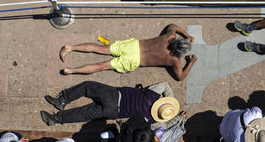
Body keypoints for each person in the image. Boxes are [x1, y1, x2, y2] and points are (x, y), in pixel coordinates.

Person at [59, 24, 197, 78]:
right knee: (102, 66)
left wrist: (187, 36)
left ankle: (70, 47)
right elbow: (180, 77)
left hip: (133, 46)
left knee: (100, 48)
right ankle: (71, 71)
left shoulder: (170, 36)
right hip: (135, 60)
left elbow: (172, 26)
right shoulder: (174, 60)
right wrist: (191, 62)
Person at [41, 81, 179, 126]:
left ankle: (62, 100)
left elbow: (165, 85)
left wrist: (170, 100)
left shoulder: (153, 94)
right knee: (84, 114)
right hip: (114, 112)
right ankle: (55, 119)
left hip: (114, 96)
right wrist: (174, 118)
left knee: (87, 87)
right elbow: (164, 125)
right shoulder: (153, 121)